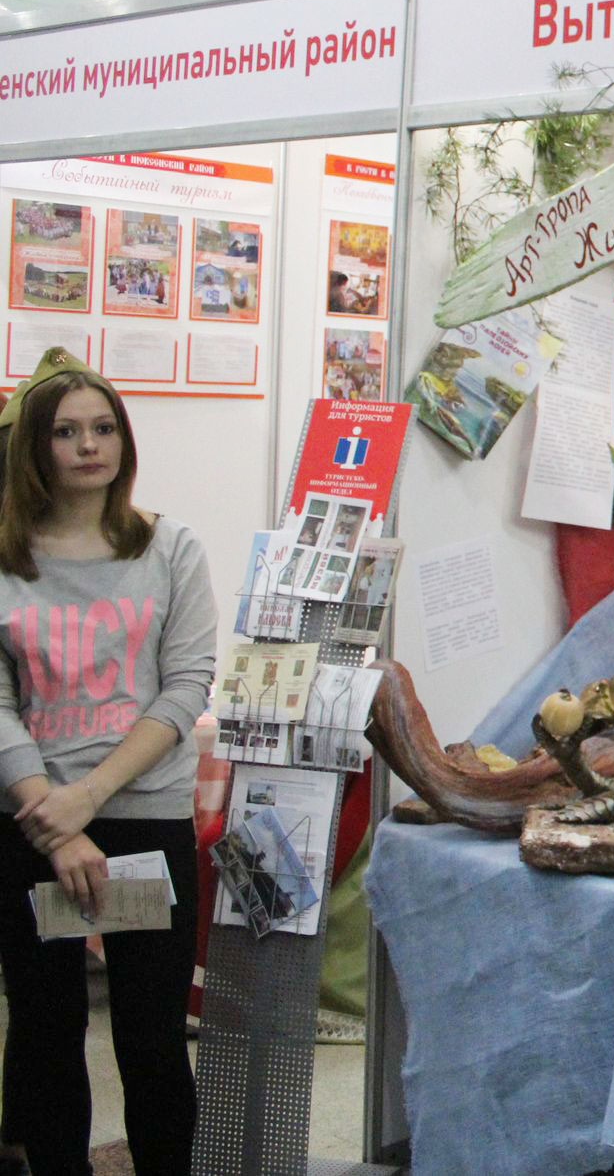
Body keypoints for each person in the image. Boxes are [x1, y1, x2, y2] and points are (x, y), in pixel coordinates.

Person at [0, 347, 218, 1176]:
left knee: (152, 1038)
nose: (89, 445)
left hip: (142, 818)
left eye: (103, 428)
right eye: (66, 431)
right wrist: (57, 825)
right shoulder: (7, 557)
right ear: (34, 446)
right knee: (46, 1032)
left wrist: (85, 799)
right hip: (34, 822)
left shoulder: (170, 548)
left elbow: (185, 687)